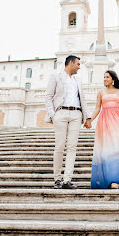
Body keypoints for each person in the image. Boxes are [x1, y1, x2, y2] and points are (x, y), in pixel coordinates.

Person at [45, 55, 91, 189]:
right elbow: (48, 97)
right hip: (61, 113)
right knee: (59, 146)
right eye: (78, 64)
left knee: (72, 147)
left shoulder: (78, 79)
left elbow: (83, 99)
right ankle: (57, 179)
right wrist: (53, 115)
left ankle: (67, 179)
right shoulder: (56, 76)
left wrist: (87, 116)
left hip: (76, 114)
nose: (79, 67)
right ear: (70, 63)